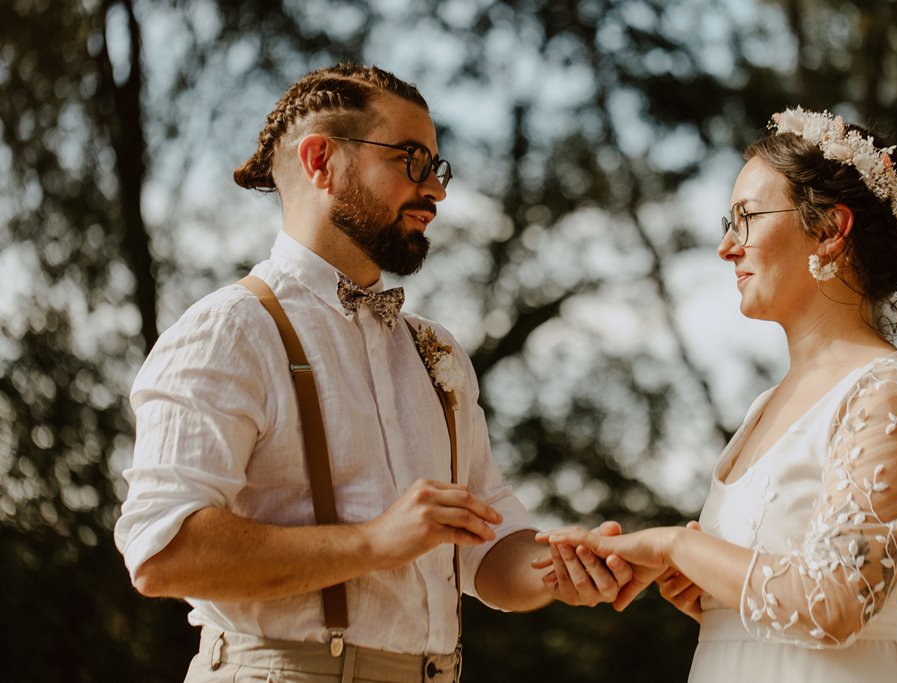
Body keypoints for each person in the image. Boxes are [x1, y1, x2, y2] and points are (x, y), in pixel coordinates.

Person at [114, 63, 631, 683]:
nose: (435, 191)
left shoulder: (436, 353)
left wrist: (564, 570)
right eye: (411, 160)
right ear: (320, 161)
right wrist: (373, 541)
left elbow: (489, 547)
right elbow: (162, 550)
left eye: (436, 168)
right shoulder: (231, 330)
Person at [539, 107, 897, 682]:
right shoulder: (765, 406)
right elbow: (781, 590)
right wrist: (710, 594)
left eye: (745, 218)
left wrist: (675, 548)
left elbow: (835, 605)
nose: (725, 248)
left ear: (830, 230)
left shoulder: (889, 392)